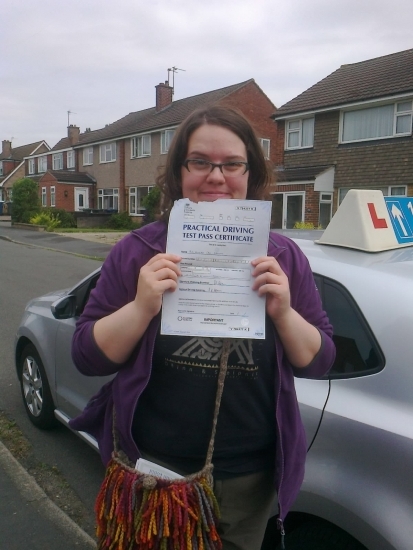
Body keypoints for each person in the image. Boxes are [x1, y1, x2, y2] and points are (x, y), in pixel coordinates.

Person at [70, 105, 336, 550]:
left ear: (250, 172)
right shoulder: (137, 251)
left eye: (232, 163)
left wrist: (285, 313)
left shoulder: (285, 257)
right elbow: (86, 356)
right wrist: (139, 308)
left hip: (245, 478)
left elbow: (320, 360)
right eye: (200, 162)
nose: (217, 176)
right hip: (151, 471)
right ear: (179, 171)